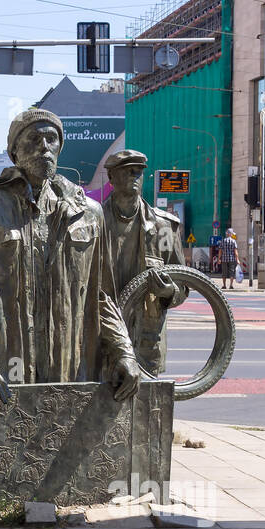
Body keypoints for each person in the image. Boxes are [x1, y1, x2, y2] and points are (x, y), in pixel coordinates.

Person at [0, 107, 141, 402]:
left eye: (52, 140)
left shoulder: (88, 214)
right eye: (33, 139)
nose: (44, 147)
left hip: (69, 363)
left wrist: (122, 351)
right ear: (14, 152)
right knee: (7, 444)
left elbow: (101, 296)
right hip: (7, 365)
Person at [102, 148, 187, 376]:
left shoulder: (163, 228)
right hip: (103, 339)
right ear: (111, 177)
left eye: (138, 172)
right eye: (127, 171)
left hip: (147, 339)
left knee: (147, 408)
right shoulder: (93, 224)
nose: (134, 176)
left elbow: (183, 284)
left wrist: (169, 291)